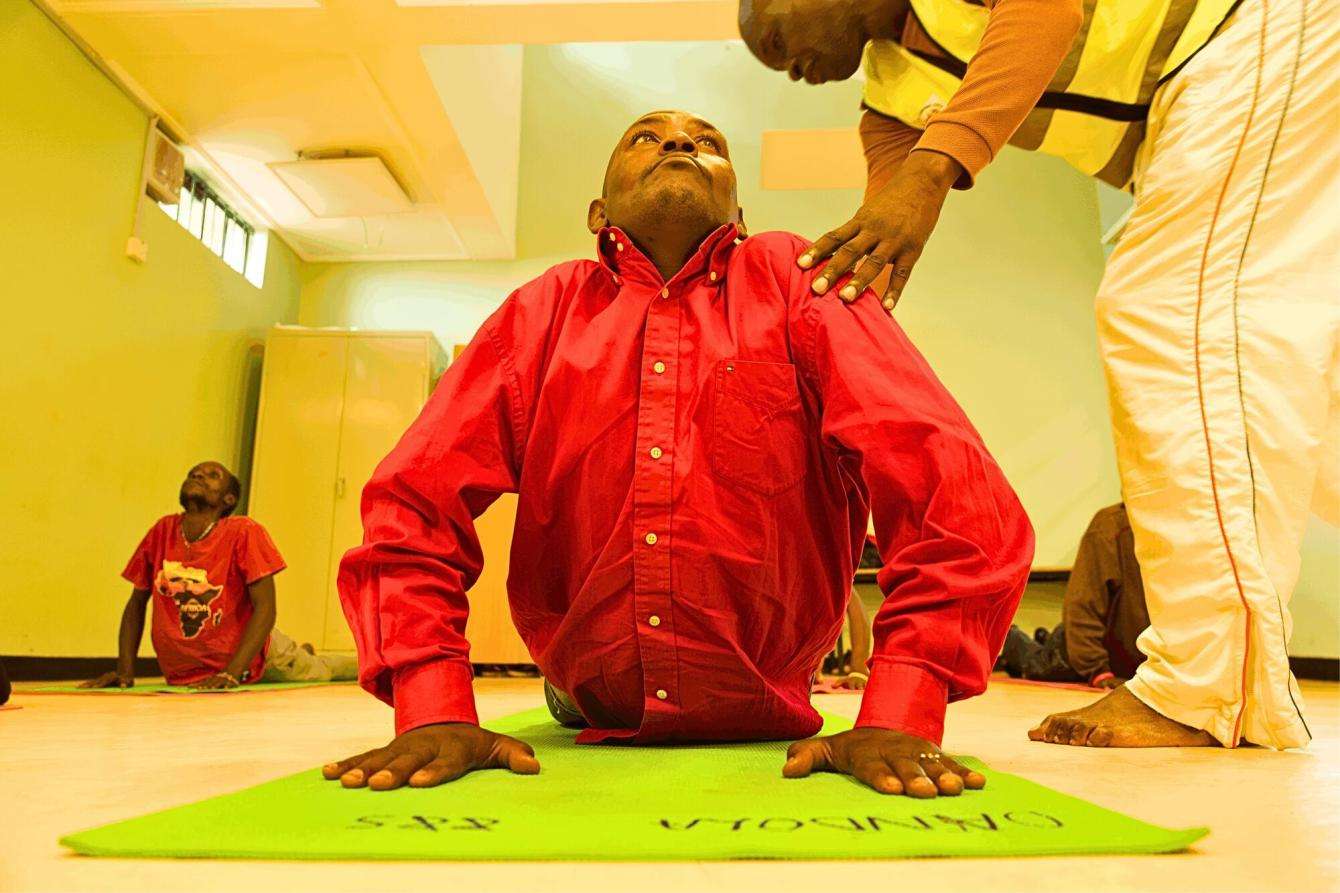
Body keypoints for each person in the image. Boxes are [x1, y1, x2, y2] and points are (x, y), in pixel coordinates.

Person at [324, 110, 1034, 800]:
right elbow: (412, 501)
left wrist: (901, 710)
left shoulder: (802, 281)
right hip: (583, 703)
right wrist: (432, 703)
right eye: (646, 136)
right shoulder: (540, 313)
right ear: (599, 214)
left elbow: (953, 484)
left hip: (772, 701)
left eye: (706, 141)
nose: (677, 142)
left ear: (740, 213)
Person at [739, 0, 1337, 749]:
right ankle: (1215, 674)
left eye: (774, 38)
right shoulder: (890, 104)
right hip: (1190, 100)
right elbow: (880, 262)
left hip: (1239, 28)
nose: (788, 69)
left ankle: (1206, 686)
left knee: (1167, 307)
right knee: (1304, 372)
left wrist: (932, 172)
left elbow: (1044, 10)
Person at [81, 461, 356, 690]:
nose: (198, 475)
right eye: (193, 473)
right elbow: (136, 603)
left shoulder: (243, 531)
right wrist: (125, 673)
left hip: (258, 658)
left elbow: (266, 608)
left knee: (321, 670)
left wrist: (231, 673)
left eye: (213, 475)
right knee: (305, 660)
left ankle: (369, 662)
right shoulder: (162, 531)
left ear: (229, 499)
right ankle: (303, 651)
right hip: (187, 672)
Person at [997, 504, 1148, 689]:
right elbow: (1080, 607)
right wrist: (1098, 671)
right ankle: (1013, 638)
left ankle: (1045, 638)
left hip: (1099, 643)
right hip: (1083, 643)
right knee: (1037, 666)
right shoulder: (1110, 526)